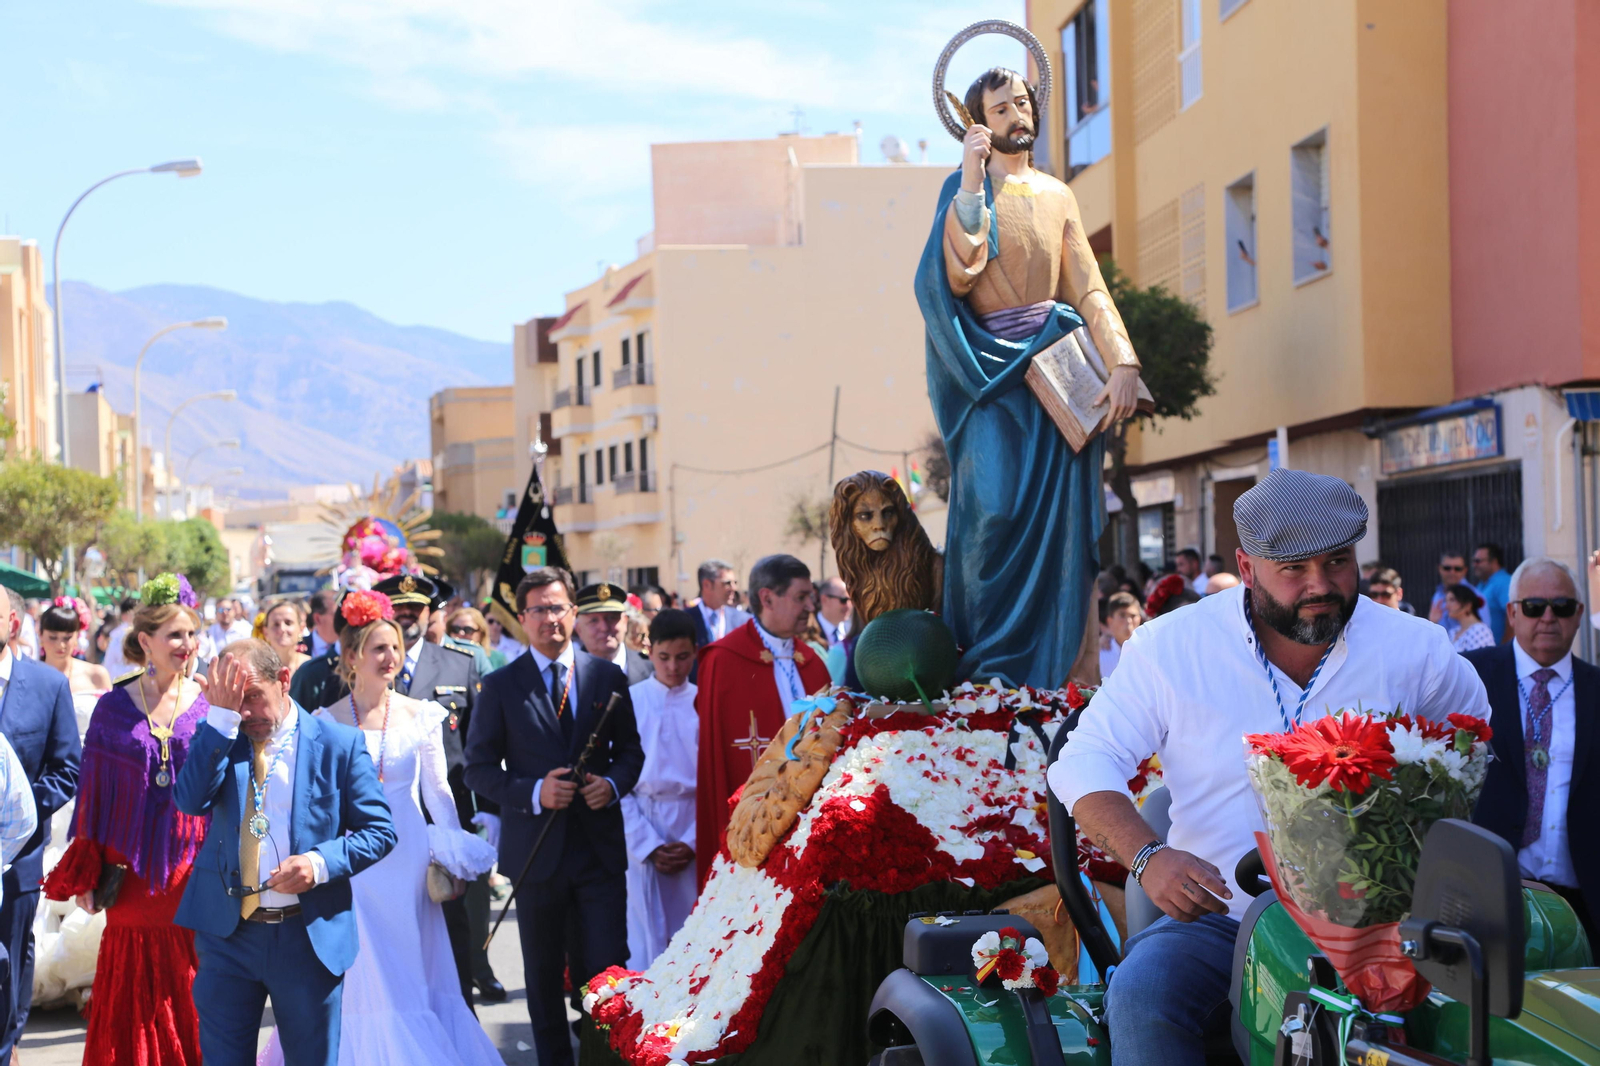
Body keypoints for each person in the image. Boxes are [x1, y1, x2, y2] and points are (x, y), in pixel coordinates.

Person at [1050, 469, 1489, 1065]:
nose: (1320, 585)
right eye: (1293, 570)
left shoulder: (1416, 648)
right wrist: (1149, 858)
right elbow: (1083, 761)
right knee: (1141, 990)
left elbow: (1471, 750)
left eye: (1337, 562)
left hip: (1385, 924)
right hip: (1223, 920)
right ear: (1247, 567)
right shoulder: (1170, 647)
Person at [917, 66, 1143, 689]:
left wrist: (1122, 358)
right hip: (988, 375)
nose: (1017, 113)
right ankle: (986, 679)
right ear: (977, 125)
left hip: (1053, 374)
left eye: (1022, 102)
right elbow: (958, 274)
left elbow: (1089, 287)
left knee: (1066, 534)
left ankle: (1064, 679)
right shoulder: (964, 189)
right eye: (999, 108)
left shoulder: (1057, 195)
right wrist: (970, 177)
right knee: (989, 518)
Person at [258, 592, 499, 1066]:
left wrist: (452, 855)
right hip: (354, 860)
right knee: (363, 969)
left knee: (410, 967)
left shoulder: (422, 715)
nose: (391, 657)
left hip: (408, 859)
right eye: (379, 649)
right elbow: (318, 803)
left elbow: (439, 795)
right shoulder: (324, 722)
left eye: (395, 648)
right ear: (351, 657)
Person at [173, 639, 397, 1066]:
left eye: (254, 696)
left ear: (284, 681)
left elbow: (380, 831)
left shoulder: (339, 743)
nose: (248, 713)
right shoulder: (222, 735)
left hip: (307, 937)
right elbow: (189, 801)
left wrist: (319, 864)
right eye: (235, 701)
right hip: (229, 936)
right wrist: (218, 718)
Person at [463, 567, 644, 1066]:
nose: (550, 619)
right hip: (536, 854)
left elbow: (631, 753)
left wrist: (611, 784)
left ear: (574, 613)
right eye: (539, 609)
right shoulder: (499, 686)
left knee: (608, 973)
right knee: (542, 979)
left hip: (599, 852)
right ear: (522, 618)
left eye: (558, 607)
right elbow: (477, 769)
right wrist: (534, 791)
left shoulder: (605, 675)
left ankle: (604, 1059)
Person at [41, 576, 211, 1064]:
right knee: (132, 984)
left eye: (191, 635)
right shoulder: (113, 708)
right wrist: (87, 872)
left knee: (187, 981)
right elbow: (91, 796)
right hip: (129, 873)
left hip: (187, 869)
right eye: (175, 635)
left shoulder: (205, 706)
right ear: (145, 642)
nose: (186, 645)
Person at [371, 573, 490, 1007]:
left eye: (415, 607)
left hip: (444, 823)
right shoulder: (358, 667)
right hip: (381, 829)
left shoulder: (459, 663)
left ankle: (459, 1020)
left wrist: (487, 812)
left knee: (451, 929)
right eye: (397, 607)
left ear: (430, 611)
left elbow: (479, 745)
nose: (406, 615)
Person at [1468, 558, 1597, 940]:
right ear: (1511, 613)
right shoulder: (1470, 677)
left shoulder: (1595, 689)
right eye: (1533, 606)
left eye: (1561, 607)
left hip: (1585, 902)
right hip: (1491, 896)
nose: (1547, 618)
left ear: (1578, 615)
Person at [694, 554, 831, 883]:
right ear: (767, 597)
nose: (810, 606)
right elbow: (715, 761)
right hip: (751, 823)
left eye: (810, 595)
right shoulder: (723, 661)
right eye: (800, 597)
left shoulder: (811, 660)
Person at [0, 585, 81, 1059]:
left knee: (10, 960)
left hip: (17, 856)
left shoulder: (48, 687)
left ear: (13, 624)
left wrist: (14, 814)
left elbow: (66, 769)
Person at [623, 609, 699, 969]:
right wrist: (647, 843)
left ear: (695, 653)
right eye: (664, 657)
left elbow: (714, 777)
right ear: (648, 651)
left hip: (692, 817)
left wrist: (692, 841)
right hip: (644, 818)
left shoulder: (704, 702)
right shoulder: (631, 700)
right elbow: (619, 781)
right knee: (644, 934)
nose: (672, 667)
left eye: (682, 657)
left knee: (693, 929)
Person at [37, 598, 112, 726]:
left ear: (77, 636)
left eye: (67, 638)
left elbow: (112, 722)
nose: (60, 645)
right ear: (41, 636)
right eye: (53, 637)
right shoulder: (29, 676)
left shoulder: (96, 674)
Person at [574, 583, 653, 685]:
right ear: (579, 629)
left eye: (611, 618)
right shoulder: (569, 675)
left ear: (625, 622)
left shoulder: (651, 668)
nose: (604, 628)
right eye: (593, 620)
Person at [689, 559, 750, 649]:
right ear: (707, 585)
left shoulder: (743, 621)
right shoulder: (686, 621)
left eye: (735, 583)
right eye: (727, 583)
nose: (734, 588)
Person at [1428, 550, 1474, 639]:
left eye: (1457, 569)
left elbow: (1481, 626)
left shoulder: (1474, 596)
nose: (1452, 572)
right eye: (1447, 568)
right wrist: (1432, 622)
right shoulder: (1437, 595)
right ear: (1440, 569)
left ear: (1465, 570)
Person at [1473, 542, 1512, 644]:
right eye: (1474, 561)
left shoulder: (1503, 582)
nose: (1474, 565)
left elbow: (1512, 614)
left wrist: (1504, 648)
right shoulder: (1482, 584)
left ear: (1493, 562)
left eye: (1478, 561)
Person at [262, 600, 312, 679]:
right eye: (276, 624)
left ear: (301, 629)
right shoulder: (259, 671)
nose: (282, 629)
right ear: (266, 632)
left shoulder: (311, 667)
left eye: (288, 623)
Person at [448, 606, 508, 671]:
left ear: (481, 633)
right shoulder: (442, 657)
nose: (461, 633)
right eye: (455, 629)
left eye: (468, 630)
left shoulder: (497, 658)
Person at [1099, 592, 1141, 680]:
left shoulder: (1148, 650)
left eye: (1133, 616)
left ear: (1139, 619)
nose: (1129, 621)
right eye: (1122, 615)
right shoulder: (1099, 654)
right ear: (1110, 621)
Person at [1446, 584, 1496, 653]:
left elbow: (1485, 660)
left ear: (1468, 605)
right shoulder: (1453, 632)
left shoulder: (1480, 631)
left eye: (1452, 600)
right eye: (1446, 601)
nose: (1446, 606)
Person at [100, 596, 140, 678]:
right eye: (134, 613)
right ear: (124, 615)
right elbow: (109, 661)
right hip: (121, 678)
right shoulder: (116, 635)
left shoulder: (144, 632)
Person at [816, 576, 853, 647]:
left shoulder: (853, 630)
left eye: (850, 600)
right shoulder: (808, 631)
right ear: (825, 600)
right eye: (844, 600)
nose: (848, 606)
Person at [306, 590, 340, 660]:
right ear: (317, 618)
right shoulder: (299, 648)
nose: (343, 618)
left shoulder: (353, 648)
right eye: (337, 614)